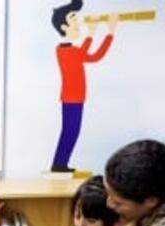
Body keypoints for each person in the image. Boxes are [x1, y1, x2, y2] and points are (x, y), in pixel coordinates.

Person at [50, 1, 117, 173]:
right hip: (73, 97)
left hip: (72, 96)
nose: (78, 23)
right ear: (64, 27)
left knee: (69, 131)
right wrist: (110, 33)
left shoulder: (64, 49)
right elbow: (95, 56)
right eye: (73, 19)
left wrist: (92, 33)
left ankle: (60, 164)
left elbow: (84, 52)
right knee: (71, 131)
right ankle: (59, 165)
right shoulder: (70, 52)